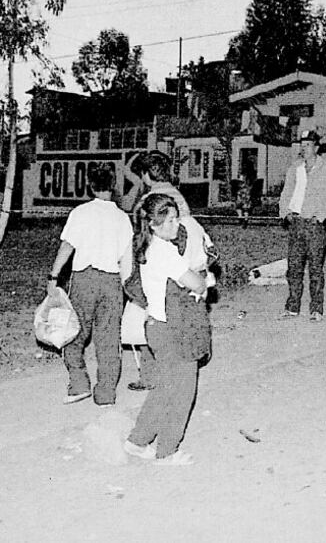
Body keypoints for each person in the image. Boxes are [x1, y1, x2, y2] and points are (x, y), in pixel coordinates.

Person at [122, 194, 208, 466]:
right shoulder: (166, 251)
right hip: (174, 328)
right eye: (169, 220)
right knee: (183, 391)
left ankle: (137, 441)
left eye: (175, 218)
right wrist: (204, 277)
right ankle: (167, 450)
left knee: (165, 388)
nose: (176, 225)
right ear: (154, 224)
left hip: (156, 325)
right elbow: (197, 284)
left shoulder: (144, 247)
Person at [46, 163, 134, 406]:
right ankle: (105, 392)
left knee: (74, 331)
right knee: (108, 338)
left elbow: (67, 246)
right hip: (112, 281)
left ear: (90, 185)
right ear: (114, 186)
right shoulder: (122, 218)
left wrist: (53, 277)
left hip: (85, 279)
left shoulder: (80, 213)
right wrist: (127, 290)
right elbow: (127, 260)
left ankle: (78, 383)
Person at [127, 150, 193, 392]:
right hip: (179, 267)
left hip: (157, 267)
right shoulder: (178, 196)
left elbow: (138, 233)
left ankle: (149, 376)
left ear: (146, 175)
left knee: (149, 318)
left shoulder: (151, 201)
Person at [278, 129, 326, 323]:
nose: (303, 149)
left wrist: (319, 217)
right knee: (294, 268)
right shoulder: (294, 169)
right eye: (301, 145)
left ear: (316, 147)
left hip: (314, 226)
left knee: (315, 270)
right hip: (296, 224)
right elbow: (285, 194)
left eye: (307, 145)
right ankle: (292, 307)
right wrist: (285, 213)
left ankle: (316, 309)